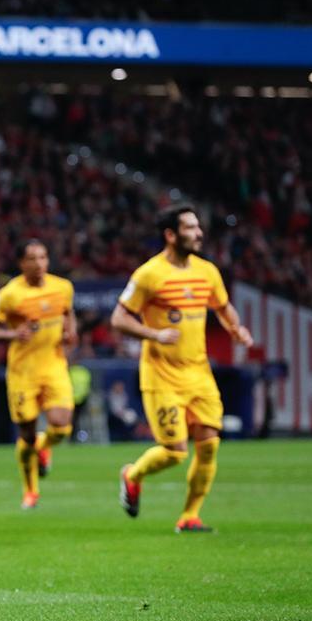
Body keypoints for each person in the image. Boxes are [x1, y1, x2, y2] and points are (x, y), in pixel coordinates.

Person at [113, 205, 254, 533]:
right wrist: (154, 333)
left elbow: (222, 306)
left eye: (198, 226)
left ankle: (190, 516)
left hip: (199, 373)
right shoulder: (149, 274)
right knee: (175, 453)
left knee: (209, 445)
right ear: (171, 235)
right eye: (190, 228)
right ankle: (132, 475)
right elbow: (118, 318)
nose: (199, 233)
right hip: (161, 375)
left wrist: (236, 328)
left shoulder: (207, 271)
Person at [0, 240, 77, 509]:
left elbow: (68, 313)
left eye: (43, 257)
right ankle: (31, 490)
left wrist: (71, 331)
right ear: (22, 263)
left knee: (62, 425)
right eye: (32, 258)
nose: (39, 263)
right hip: (23, 372)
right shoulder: (10, 294)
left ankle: (45, 448)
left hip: (54, 365)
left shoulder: (63, 287)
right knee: (27, 434)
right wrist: (12, 334)